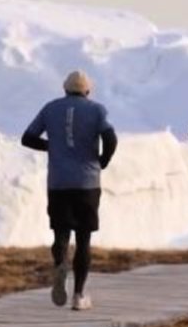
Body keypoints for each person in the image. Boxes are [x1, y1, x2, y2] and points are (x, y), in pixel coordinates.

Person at [22, 70, 117, 311]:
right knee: (84, 239)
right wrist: (103, 160)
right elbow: (110, 138)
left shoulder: (50, 108)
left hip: (59, 183)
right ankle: (79, 295)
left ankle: (61, 263)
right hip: (87, 183)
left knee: (60, 233)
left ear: (65, 89)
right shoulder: (97, 110)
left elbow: (28, 138)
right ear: (88, 91)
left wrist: (53, 146)